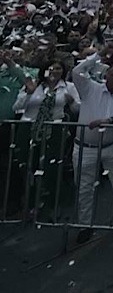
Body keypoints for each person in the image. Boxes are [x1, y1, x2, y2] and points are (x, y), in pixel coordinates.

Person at [71, 51, 113, 243]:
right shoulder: (89, 88)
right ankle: (85, 224)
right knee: (84, 186)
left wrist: (110, 120)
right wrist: (97, 55)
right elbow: (77, 72)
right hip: (86, 146)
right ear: (106, 75)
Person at [12, 60, 79, 221]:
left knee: (52, 166)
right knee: (29, 165)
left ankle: (52, 204)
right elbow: (17, 107)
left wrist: (72, 103)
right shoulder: (34, 85)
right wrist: (28, 93)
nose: (54, 71)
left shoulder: (68, 87)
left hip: (54, 130)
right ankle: (31, 203)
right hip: (30, 129)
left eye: (58, 68)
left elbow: (77, 108)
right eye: (51, 68)